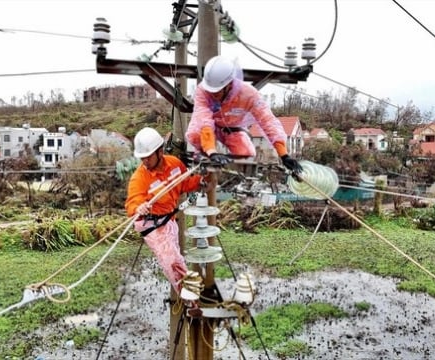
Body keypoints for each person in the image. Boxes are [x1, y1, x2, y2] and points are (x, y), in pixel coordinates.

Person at [185, 55, 303, 174]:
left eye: (217, 91)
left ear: (229, 84)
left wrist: (283, 154)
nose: (213, 94)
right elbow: (203, 120)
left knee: (246, 153)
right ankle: (202, 157)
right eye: (211, 90)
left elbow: (267, 121)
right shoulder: (202, 91)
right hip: (206, 128)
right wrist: (211, 151)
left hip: (230, 129)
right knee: (195, 134)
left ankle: (231, 175)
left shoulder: (248, 94)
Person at [125, 127, 206, 295]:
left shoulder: (174, 165)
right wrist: (139, 207)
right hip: (150, 223)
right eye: (142, 158)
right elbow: (133, 202)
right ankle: (190, 299)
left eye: (148, 157)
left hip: (168, 219)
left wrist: (202, 181)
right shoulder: (139, 178)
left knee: (176, 255)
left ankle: (190, 294)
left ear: (159, 152)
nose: (145, 161)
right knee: (171, 260)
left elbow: (185, 184)